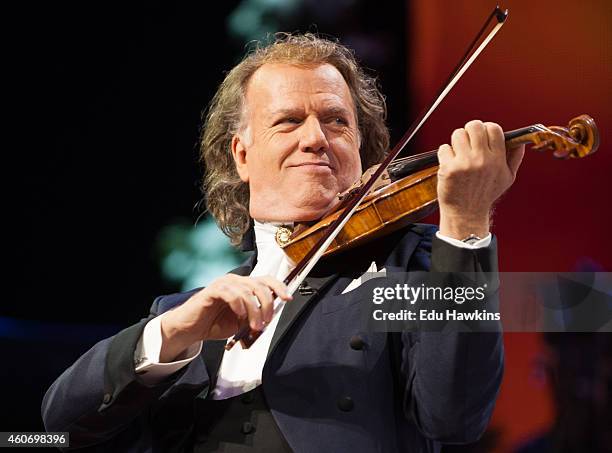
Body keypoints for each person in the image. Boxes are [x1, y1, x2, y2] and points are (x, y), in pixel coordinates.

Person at [42, 33, 524, 452]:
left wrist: (464, 222)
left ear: (361, 148)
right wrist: (170, 333)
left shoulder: (410, 268)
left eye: (336, 121)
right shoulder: (187, 311)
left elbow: (456, 415)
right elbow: (54, 431)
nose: (316, 138)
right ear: (242, 155)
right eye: (288, 121)